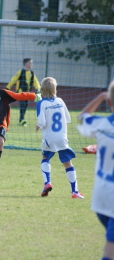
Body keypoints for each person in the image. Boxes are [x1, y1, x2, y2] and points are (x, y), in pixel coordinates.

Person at [77, 81, 114, 260]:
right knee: (110, 250)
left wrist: (100, 96)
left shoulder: (100, 124)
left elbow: (82, 117)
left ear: (109, 103)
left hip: (100, 197)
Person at [36, 77, 83, 198]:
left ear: (41, 89)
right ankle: (75, 191)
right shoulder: (60, 101)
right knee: (68, 163)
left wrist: (38, 126)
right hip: (62, 138)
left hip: (49, 138)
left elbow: (41, 122)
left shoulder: (41, 103)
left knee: (45, 157)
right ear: (55, 89)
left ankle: (47, 183)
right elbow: (67, 119)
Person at [6, 58, 41, 127]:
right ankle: (22, 119)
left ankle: (21, 119)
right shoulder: (20, 72)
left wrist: (38, 89)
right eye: (30, 63)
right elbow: (14, 79)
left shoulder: (32, 73)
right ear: (25, 64)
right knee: (22, 105)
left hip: (28, 93)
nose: (31, 64)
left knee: (25, 105)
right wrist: (8, 87)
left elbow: (36, 82)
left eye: (31, 63)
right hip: (20, 92)